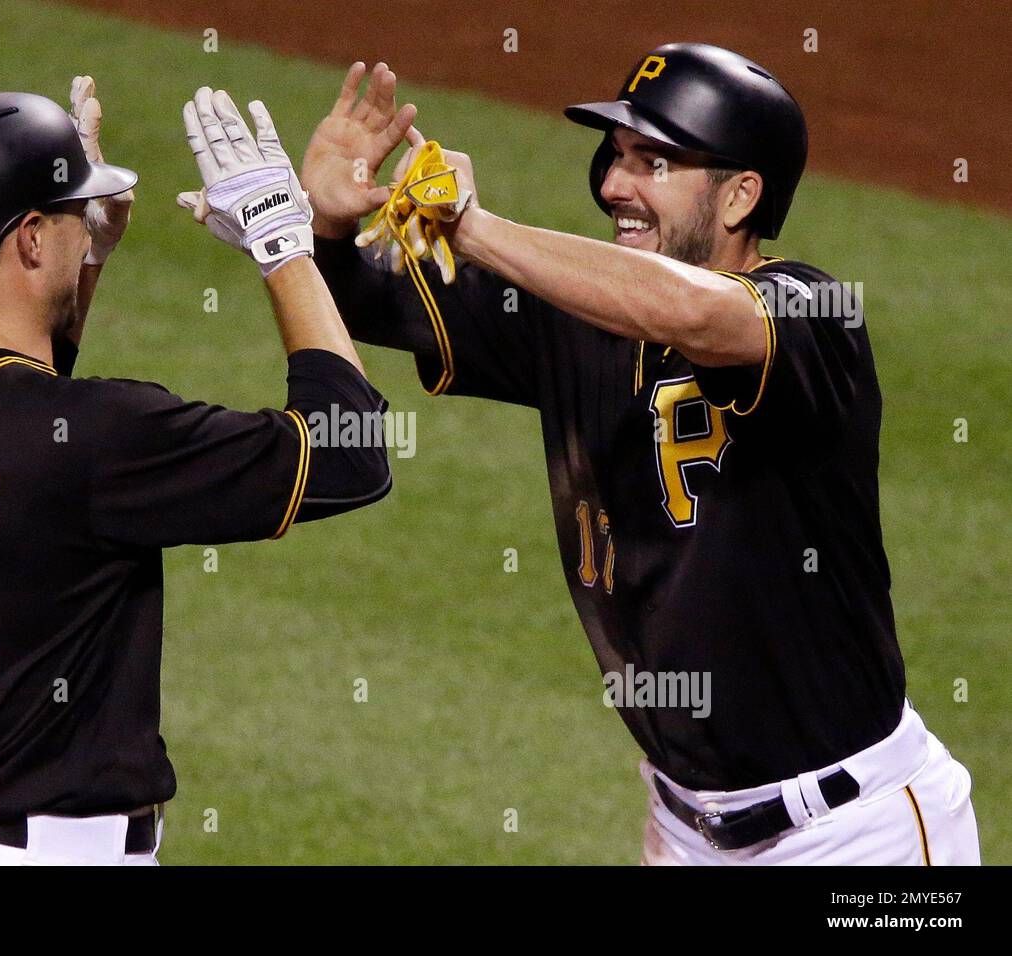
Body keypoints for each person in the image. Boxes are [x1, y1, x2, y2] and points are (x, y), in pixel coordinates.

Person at [301, 47, 980, 864]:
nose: (615, 186)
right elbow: (368, 300)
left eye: (653, 162)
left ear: (741, 194)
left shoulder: (813, 314)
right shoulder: (577, 313)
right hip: (682, 827)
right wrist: (328, 223)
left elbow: (700, 317)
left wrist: (475, 229)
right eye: (615, 157)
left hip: (854, 830)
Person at [0, 78, 390, 865]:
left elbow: (21, 428)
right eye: (67, 217)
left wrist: (83, 258)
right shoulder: (102, 436)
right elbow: (350, 452)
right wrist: (284, 241)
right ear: (27, 239)